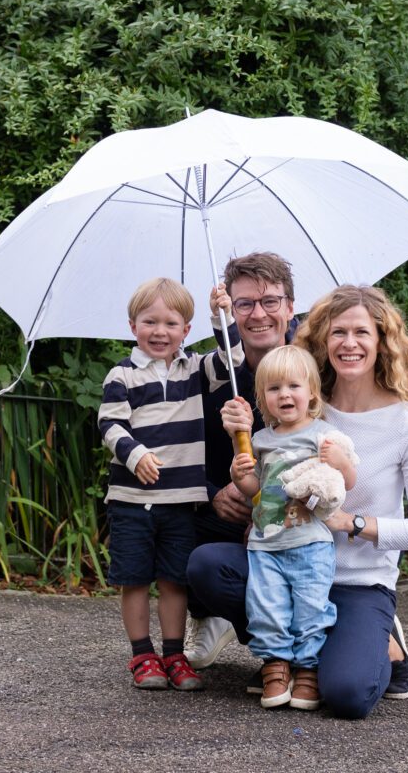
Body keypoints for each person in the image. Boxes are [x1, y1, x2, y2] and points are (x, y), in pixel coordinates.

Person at [190, 284, 408, 719]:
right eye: (338, 332)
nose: (349, 344)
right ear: (322, 342)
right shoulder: (302, 405)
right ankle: (284, 658)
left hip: (357, 582)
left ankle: (384, 644)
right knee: (208, 567)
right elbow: (265, 472)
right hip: (287, 560)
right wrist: (241, 455)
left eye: (362, 333)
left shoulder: (407, 422)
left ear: (382, 341)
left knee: (346, 694)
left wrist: (352, 523)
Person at [97, 277, 243, 692]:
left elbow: (232, 360)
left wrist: (223, 316)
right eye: (150, 322)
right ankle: (143, 654)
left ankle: (175, 654)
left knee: (175, 579)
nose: (160, 332)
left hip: (181, 500)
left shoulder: (194, 368)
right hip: (131, 499)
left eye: (171, 323)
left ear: (186, 330)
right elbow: (110, 423)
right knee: (135, 578)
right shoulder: (121, 375)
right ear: (132, 326)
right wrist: (136, 453)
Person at [184, 252, 299, 671]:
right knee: (164, 522)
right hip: (227, 515)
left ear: (290, 306)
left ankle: (320, 631)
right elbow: (176, 449)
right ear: (226, 309)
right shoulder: (209, 373)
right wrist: (214, 494)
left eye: (270, 301)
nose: (258, 314)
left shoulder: (314, 368)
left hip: (298, 518)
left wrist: (270, 498)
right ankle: (211, 612)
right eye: (244, 304)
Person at [228, 344, 357, 710]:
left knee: (311, 607)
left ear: (311, 392)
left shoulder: (323, 435)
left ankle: (307, 670)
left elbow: (347, 482)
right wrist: (240, 478)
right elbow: (257, 490)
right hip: (266, 544)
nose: (284, 394)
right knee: (266, 607)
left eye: (293, 386)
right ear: (263, 399)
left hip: (310, 542)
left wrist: (341, 461)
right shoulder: (261, 440)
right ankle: (275, 666)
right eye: (274, 389)